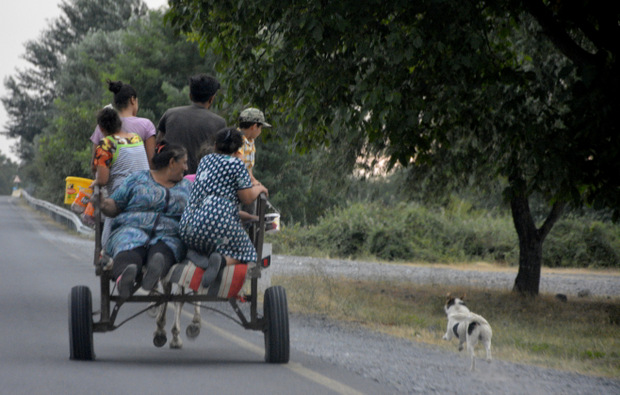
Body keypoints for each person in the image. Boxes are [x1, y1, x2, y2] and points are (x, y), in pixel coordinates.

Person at [98, 142, 191, 299]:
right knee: (128, 249)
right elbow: (115, 205)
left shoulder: (187, 187)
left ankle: (154, 273)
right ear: (172, 162)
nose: (186, 168)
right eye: (184, 163)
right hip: (131, 228)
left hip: (169, 234)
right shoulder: (137, 179)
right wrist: (103, 203)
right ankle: (124, 280)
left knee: (163, 251)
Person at [179, 128, 268, 286]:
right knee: (249, 253)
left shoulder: (205, 161)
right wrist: (259, 189)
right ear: (237, 150)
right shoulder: (236, 165)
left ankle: (196, 254)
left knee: (204, 238)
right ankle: (221, 261)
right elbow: (247, 198)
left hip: (189, 228)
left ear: (215, 146)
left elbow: (214, 207)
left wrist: (250, 217)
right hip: (218, 230)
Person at [157, 74, 226, 174]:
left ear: (190, 96)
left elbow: (158, 142)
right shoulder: (219, 122)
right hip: (201, 179)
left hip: (171, 176)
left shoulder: (170, 114)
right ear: (211, 99)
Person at [90, 80, 156, 170]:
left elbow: (94, 166)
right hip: (140, 182)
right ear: (133, 100)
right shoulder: (146, 125)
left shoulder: (103, 125)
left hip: (111, 182)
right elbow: (151, 164)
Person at [237, 107, 271, 187]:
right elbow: (240, 166)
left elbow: (249, 167)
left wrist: (253, 180)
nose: (260, 131)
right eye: (260, 128)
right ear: (254, 127)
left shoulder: (250, 141)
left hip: (244, 181)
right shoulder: (237, 140)